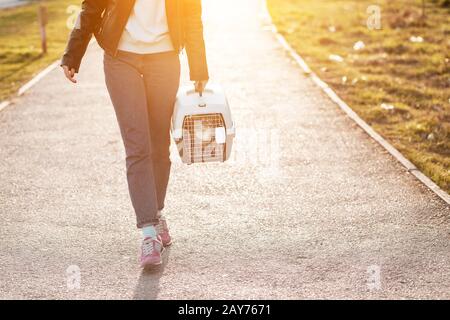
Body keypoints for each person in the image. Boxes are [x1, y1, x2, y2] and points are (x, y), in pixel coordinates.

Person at [60, 0, 209, 268]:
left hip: (164, 58)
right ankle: (149, 232)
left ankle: (157, 210)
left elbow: (192, 15)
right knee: (137, 145)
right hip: (121, 58)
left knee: (158, 147)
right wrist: (73, 54)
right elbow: (91, 8)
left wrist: (199, 67)